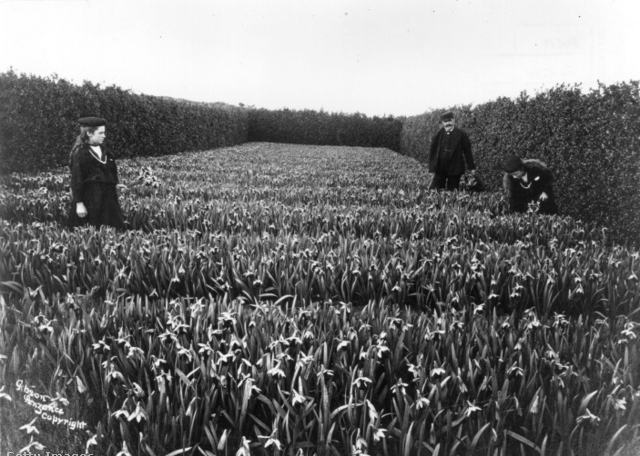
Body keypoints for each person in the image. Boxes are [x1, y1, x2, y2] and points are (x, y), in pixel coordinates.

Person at [68, 116, 125, 229]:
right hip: (90, 199)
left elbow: (110, 171)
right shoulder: (80, 153)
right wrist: (79, 203)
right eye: (100, 133)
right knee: (92, 230)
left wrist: (115, 184)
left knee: (115, 229)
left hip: (109, 199)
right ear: (89, 133)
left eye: (104, 132)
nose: (104, 136)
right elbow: (76, 179)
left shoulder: (106, 151)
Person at [428, 111, 476, 190]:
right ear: (442, 122)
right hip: (440, 168)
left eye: (449, 121)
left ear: (454, 120)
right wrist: (432, 168)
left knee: (452, 192)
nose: (447, 123)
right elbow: (432, 151)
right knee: (435, 190)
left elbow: (467, 152)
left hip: (455, 169)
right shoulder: (438, 134)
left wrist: (471, 167)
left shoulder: (461, 134)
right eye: (445, 121)